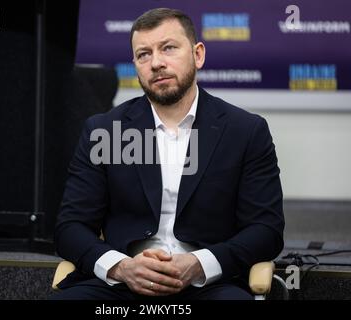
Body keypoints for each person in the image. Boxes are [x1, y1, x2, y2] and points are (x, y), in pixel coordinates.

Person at [52, 8, 284, 300]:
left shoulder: (246, 131)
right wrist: (121, 267)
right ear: (135, 65)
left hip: (207, 287)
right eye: (144, 54)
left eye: (169, 48)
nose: (157, 63)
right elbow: (70, 228)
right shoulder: (105, 131)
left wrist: (199, 264)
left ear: (198, 54)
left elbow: (266, 230)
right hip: (122, 286)